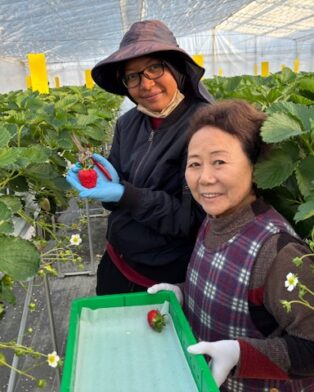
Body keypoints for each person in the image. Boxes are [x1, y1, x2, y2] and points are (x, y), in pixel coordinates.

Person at [148, 100, 314, 391]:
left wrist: (241, 354)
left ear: (255, 165)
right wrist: (183, 294)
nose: (205, 177)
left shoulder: (278, 252)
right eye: (195, 164)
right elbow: (225, 290)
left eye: (219, 162)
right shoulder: (213, 220)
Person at [66, 19, 213, 294]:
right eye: (132, 76)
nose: (145, 84)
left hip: (164, 277)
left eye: (154, 68)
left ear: (176, 68)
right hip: (116, 261)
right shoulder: (128, 123)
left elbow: (190, 221)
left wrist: (124, 193)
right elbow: (117, 201)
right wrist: (107, 183)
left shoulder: (205, 129)